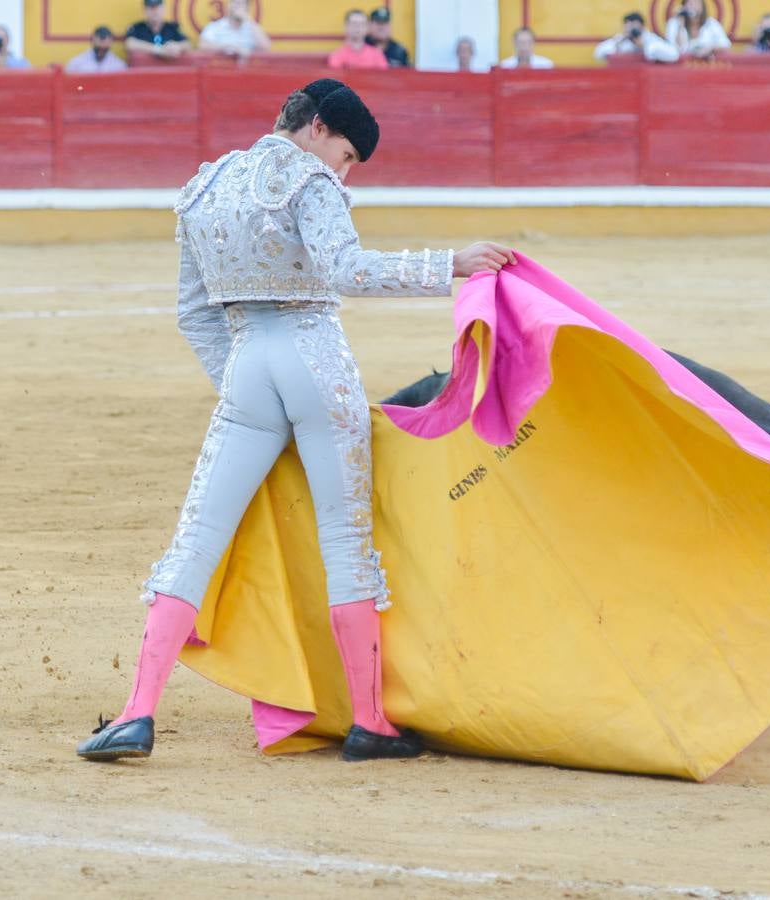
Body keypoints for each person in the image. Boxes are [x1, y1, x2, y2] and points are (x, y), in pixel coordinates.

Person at [75, 78, 516, 764]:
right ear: (316, 129)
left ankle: (136, 713)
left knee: (196, 538)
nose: (341, 173)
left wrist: (246, 397)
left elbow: (193, 312)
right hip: (316, 363)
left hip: (248, 366)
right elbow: (347, 271)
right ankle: (370, 720)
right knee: (346, 540)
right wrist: (448, 265)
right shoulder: (311, 181)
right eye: (343, 155)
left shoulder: (203, 188)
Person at [594, 11, 679, 64]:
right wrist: (617, 44)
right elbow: (598, 53)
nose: (631, 28)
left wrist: (644, 46)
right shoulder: (621, 39)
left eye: (634, 25)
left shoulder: (650, 38)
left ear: (642, 26)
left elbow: (674, 54)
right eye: (628, 25)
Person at [198, 0, 271, 58]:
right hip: (220, 71)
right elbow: (203, 46)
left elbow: (266, 48)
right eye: (236, 3)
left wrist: (249, 20)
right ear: (229, 5)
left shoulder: (252, 28)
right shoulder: (215, 27)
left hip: (247, 72)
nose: (238, 7)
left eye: (242, 4)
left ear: (247, 8)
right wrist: (227, 47)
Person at [125, 0, 191, 61]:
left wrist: (177, 46)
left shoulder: (173, 27)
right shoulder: (137, 28)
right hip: (146, 70)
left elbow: (187, 44)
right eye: (151, 8)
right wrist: (158, 49)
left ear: (163, 9)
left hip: (169, 69)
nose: (155, 11)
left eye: (157, 8)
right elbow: (129, 43)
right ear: (145, 10)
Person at [664, 0, 730, 59]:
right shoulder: (674, 23)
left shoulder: (711, 23)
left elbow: (725, 44)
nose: (693, 6)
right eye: (690, 3)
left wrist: (710, 49)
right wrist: (680, 25)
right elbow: (675, 49)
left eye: (696, 3)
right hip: (681, 68)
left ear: (702, 7)